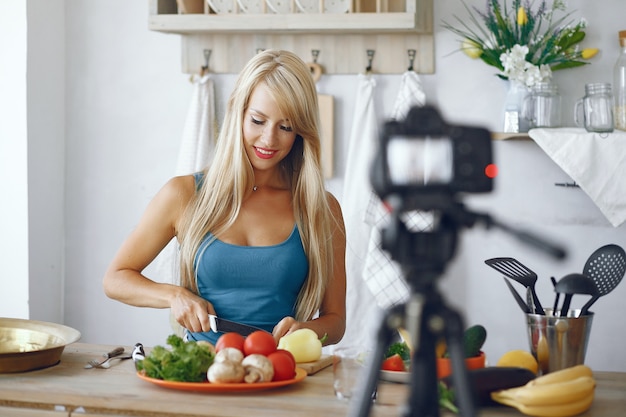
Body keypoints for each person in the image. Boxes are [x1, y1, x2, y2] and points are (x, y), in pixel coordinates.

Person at [103, 49, 346, 347]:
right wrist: (174, 295)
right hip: (201, 371)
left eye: (285, 127)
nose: (269, 140)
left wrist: (306, 330)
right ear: (238, 113)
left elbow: (335, 320)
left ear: (301, 132)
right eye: (258, 121)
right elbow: (116, 279)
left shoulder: (321, 209)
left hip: (281, 373)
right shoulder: (183, 195)